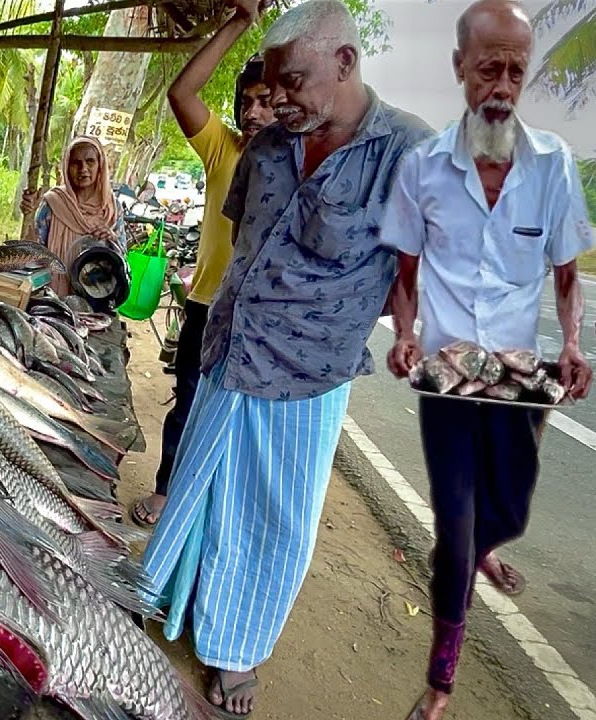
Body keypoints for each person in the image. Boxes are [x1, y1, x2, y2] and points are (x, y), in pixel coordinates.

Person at [137, 2, 434, 716]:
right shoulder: (269, 144)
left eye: (294, 81)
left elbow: (416, 265)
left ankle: (235, 653)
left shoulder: (408, 153)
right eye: (272, 85)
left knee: (275, 519)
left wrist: (415, 328)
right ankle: (168, 600)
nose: (280, 99)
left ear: (345, 64)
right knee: (201, 490)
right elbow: (243, 240)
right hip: (229, 353)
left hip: (307, 375)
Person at [381, 2, 594, 717]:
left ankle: (483, 546)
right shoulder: (423, 167)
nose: (502, 86)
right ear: (460, 70)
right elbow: (404, 271)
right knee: (456, 520)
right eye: (488, 69)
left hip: (521, 377)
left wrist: (570, 342)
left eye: (515, 70)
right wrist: (405, 331)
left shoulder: (554, 165)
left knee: (508, 509)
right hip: (446, 371)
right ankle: (441, 680)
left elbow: (566, 275)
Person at [131, 0, 277, 528]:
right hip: (206, 305)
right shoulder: (224, 150)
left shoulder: (303, 161)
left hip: (261, 318)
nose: (253, 112)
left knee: (243, 420)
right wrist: (237, 23)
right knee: (188, 402)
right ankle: (168, 489)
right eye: (246, 101)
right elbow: (181, 93)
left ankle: (219, 510)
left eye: (266, 102)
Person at [31, 135, 125, 296]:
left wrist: (111, 238)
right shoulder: (53, 204)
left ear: (100, 165)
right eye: (76, 163)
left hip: (97, 293)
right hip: (54, 296)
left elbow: (122, 259)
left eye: (90, 161)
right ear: (67, 167)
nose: (83, 169)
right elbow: (34, 250)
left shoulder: (111, 208)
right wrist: (28, 214)